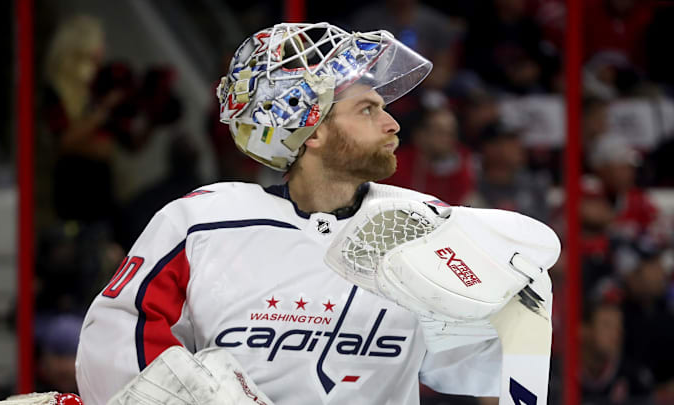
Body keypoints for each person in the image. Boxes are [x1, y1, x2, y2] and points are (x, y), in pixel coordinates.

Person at [76, 23, 554, 404]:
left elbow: (477, 371)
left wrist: (513, 326)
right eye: (367, 109)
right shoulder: (202, 223)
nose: (392, 123)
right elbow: (117, 339)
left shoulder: (427, 227)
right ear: (312, 129)